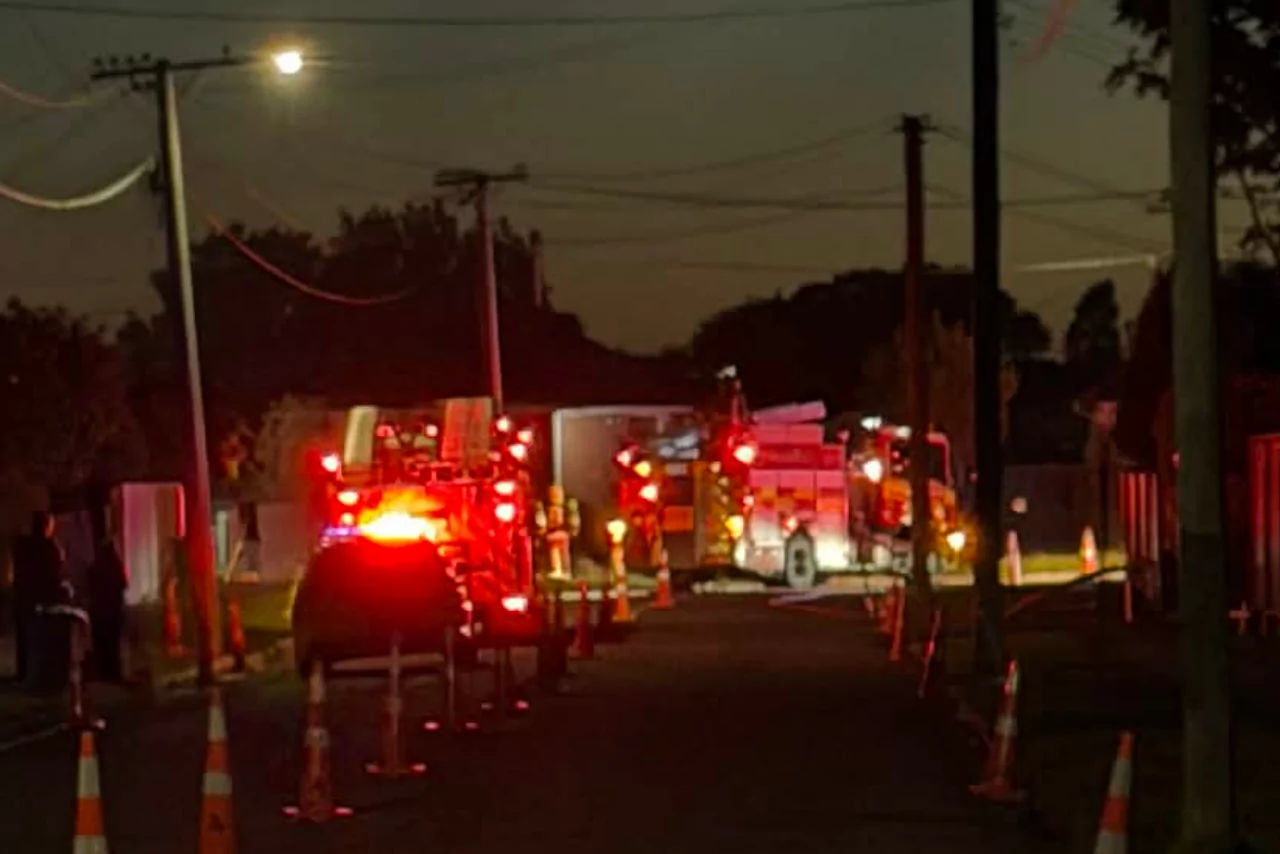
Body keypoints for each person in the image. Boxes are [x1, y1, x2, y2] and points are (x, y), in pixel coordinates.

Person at [10, 512, 70, 683]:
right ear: (46, 526)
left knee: (25, 637)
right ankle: (39, 674)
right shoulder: (49, 547)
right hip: (42, 598)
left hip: (24, 597)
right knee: (41, 637)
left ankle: (24, 672)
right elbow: (56, 572)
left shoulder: (22, 546)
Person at [87, 537, 128, 683]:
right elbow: (123, 584)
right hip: (112, 611)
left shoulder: (95, 567)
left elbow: (89, 586)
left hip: (99, 612)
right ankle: (112, 672)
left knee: (101, 643)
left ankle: (103, 672)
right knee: (112, 644)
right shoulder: (116, 566)